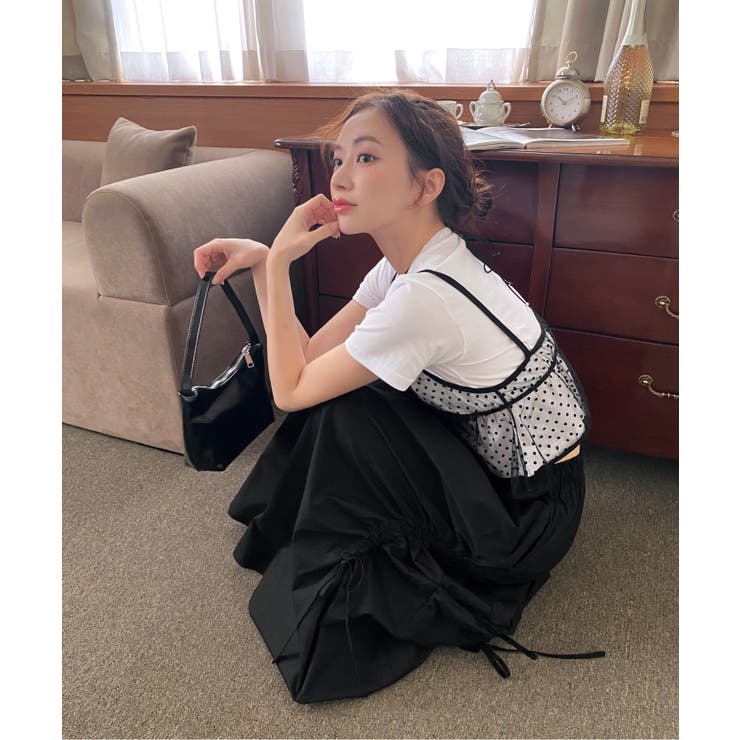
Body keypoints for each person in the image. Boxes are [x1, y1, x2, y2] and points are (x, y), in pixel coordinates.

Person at [193, 90, 604, 704]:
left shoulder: (424, 297)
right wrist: (264, 264)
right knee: (348, 397)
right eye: (339, 159)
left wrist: (276, 266)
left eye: (365, 158)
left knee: (349, 410)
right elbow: (310, 364)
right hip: (506, 473)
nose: (339, 178)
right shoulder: (406, 265)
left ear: (425, 186)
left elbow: (290, 391)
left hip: (530, 515)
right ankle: (298, 528)